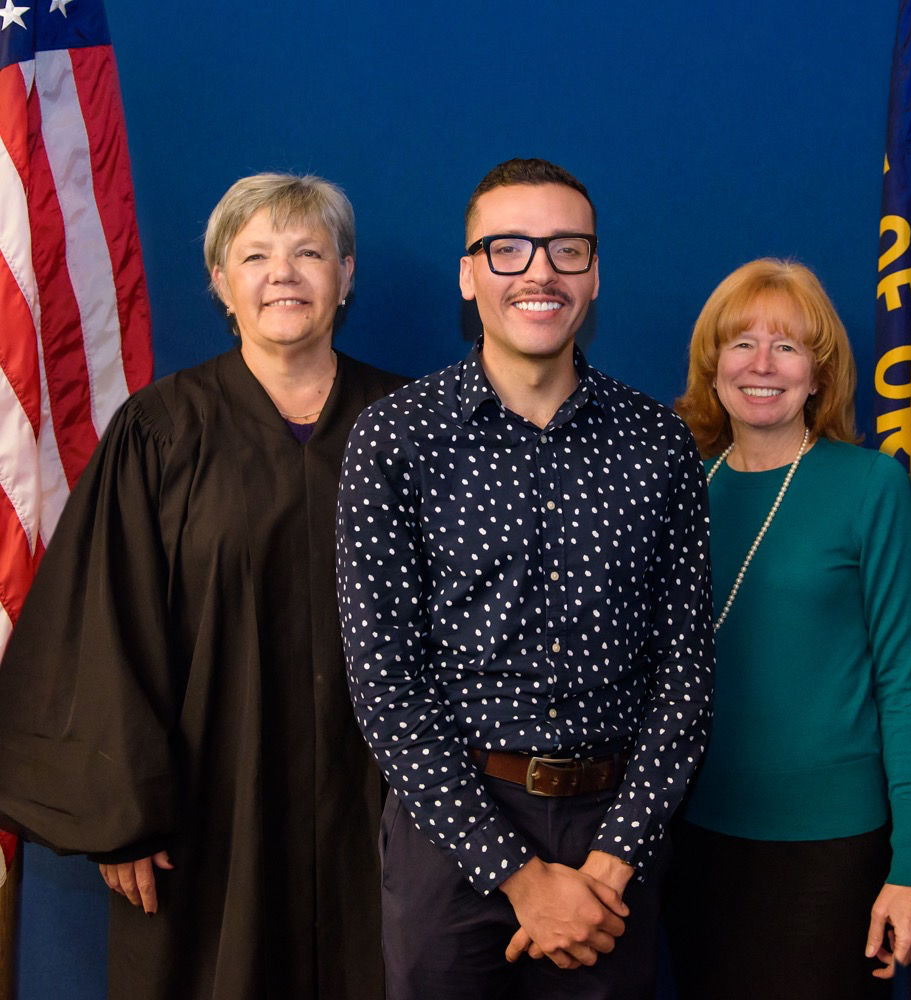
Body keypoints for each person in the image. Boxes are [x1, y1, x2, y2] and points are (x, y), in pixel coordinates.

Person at [0, 173, 407, 1000]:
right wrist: (121, 817)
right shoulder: (159, 433)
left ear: (347, 275)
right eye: (254, 255)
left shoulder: (408, 428)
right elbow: (105, 627)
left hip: (385, 813)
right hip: (209, 818)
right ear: (221, 283)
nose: (282, 274)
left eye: (308, 253)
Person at [336, 157, 714, 1000]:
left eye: (566, 249)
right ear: (469, 277)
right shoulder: (394, 440)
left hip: (614, 837)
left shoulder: (659, 445)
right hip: (452, 829)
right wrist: (520, 879)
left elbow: (684, 676)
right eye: (508, 248)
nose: (540, 271)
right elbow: (386, 685)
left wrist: (609, 868)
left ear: (595, 274)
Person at [666, 258, 911, 999]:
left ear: (818, 375)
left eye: (787, 347)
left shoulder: (869, 485)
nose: (761, 365)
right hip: (696, 835)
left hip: (832, 848)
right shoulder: (684, 486)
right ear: (712, 365)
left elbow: (905, 680)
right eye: (742, 343)